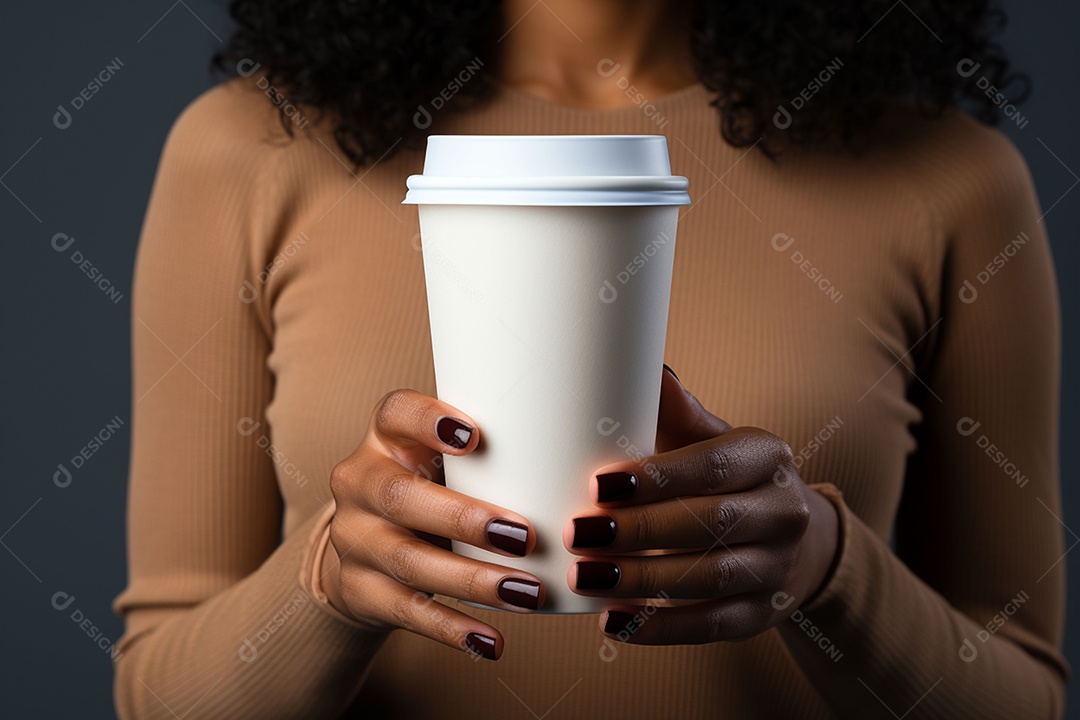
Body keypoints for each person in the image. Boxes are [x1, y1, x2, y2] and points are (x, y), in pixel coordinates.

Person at [112, 1, 1068, 717]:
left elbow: (1024, 691)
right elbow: (157, 694)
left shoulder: (949, 176)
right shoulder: (248, 150)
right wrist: (323, 585)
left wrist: (827, 575)